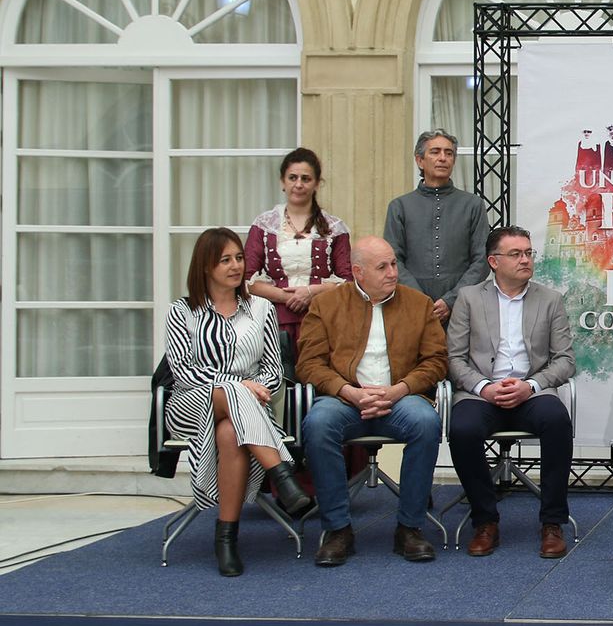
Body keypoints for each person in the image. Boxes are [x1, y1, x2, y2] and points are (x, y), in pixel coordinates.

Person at [164, 227, 310, 577]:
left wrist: (249, 388)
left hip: (246, 414)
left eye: (239, 258)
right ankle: (282, 472)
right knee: (232, 392)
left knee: (230, 432)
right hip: (191, 405)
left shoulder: (261, 308)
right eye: (225, 260)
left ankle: (225, 539)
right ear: (205, 267)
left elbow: (274, 372)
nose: (235, 266)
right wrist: (239, 385)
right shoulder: (182, 311)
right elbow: (183, 372)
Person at [297, 236, 448, 567]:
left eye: (393, 263)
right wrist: (349, 391)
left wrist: (399, 390)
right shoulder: (326, 305)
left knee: (426, 422)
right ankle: (338, 529)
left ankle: (410, 527)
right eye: (382, 267)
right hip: (345, 398)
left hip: (401, 398)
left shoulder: (419, 305)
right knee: (318, 424)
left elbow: (436, 361)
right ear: (357, 272)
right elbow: (309, 363)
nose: (393, 272)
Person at [447, 225, 577, 559]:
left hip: (531, 391)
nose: (525, 260)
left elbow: (565, 360)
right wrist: (484, 387)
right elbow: (454, 359)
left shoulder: (550, 299)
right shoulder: (469, 298)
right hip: (481, 393)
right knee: (462, 428)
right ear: (493, 261)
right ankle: (485, 520)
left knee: (557, 420)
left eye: (528, 253)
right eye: (516, 254)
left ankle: (552, 522)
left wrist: (530, 385)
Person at [245, 147, 352, 364]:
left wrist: (311, 292)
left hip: (322, 318)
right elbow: (246, 279)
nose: (299, 184)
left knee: (316, 377)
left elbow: (348, 281)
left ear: (316, 184)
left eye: (306, 178)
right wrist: (287, 297)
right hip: (273, 318)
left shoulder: (335, 228)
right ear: (283, 182)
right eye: (292, 178)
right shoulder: (264, 225)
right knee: (281, 381)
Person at [383, 129, 490, 324]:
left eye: (448, 153)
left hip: (463, 308)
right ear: (419, 160)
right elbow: (393, 259)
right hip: (410, 307)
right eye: (435, 152)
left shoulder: (472, 204)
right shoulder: (399, 207)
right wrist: (420, 300)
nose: (443, 158)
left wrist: (451, 300)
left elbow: (482, 260)